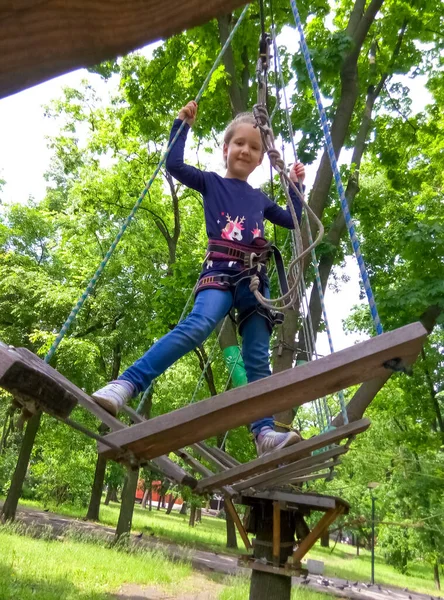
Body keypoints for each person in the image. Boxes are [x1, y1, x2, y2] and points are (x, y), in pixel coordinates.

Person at [92, 100, 306, 456]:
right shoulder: (210, 183)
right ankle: (126, 383)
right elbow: (174, 165)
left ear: (260, 158)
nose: (246, 151)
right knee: (197, 326)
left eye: (255, 148)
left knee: (257, 354)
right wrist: (181, 126)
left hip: (254, 278)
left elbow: (290, 219)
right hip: (220, 271)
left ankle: (264, 432)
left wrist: (297, 186)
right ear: (226, 149)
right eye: (240, 143)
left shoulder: (260, 198)